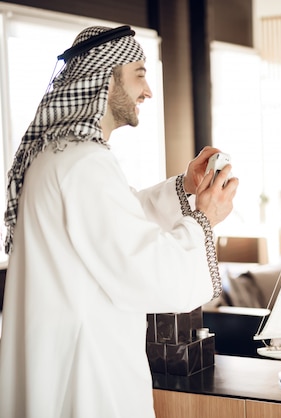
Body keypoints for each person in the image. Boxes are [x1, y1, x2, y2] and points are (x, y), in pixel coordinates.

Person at [0, 26, 238, 417]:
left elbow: (114, 225)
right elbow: (144, 268)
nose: (148, 91)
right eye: (140, 75)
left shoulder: (62, 157)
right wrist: (204, 219)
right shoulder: (84, 163)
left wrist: (184, 187)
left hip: (69, 362)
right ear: (105, 78)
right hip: (87, 377)